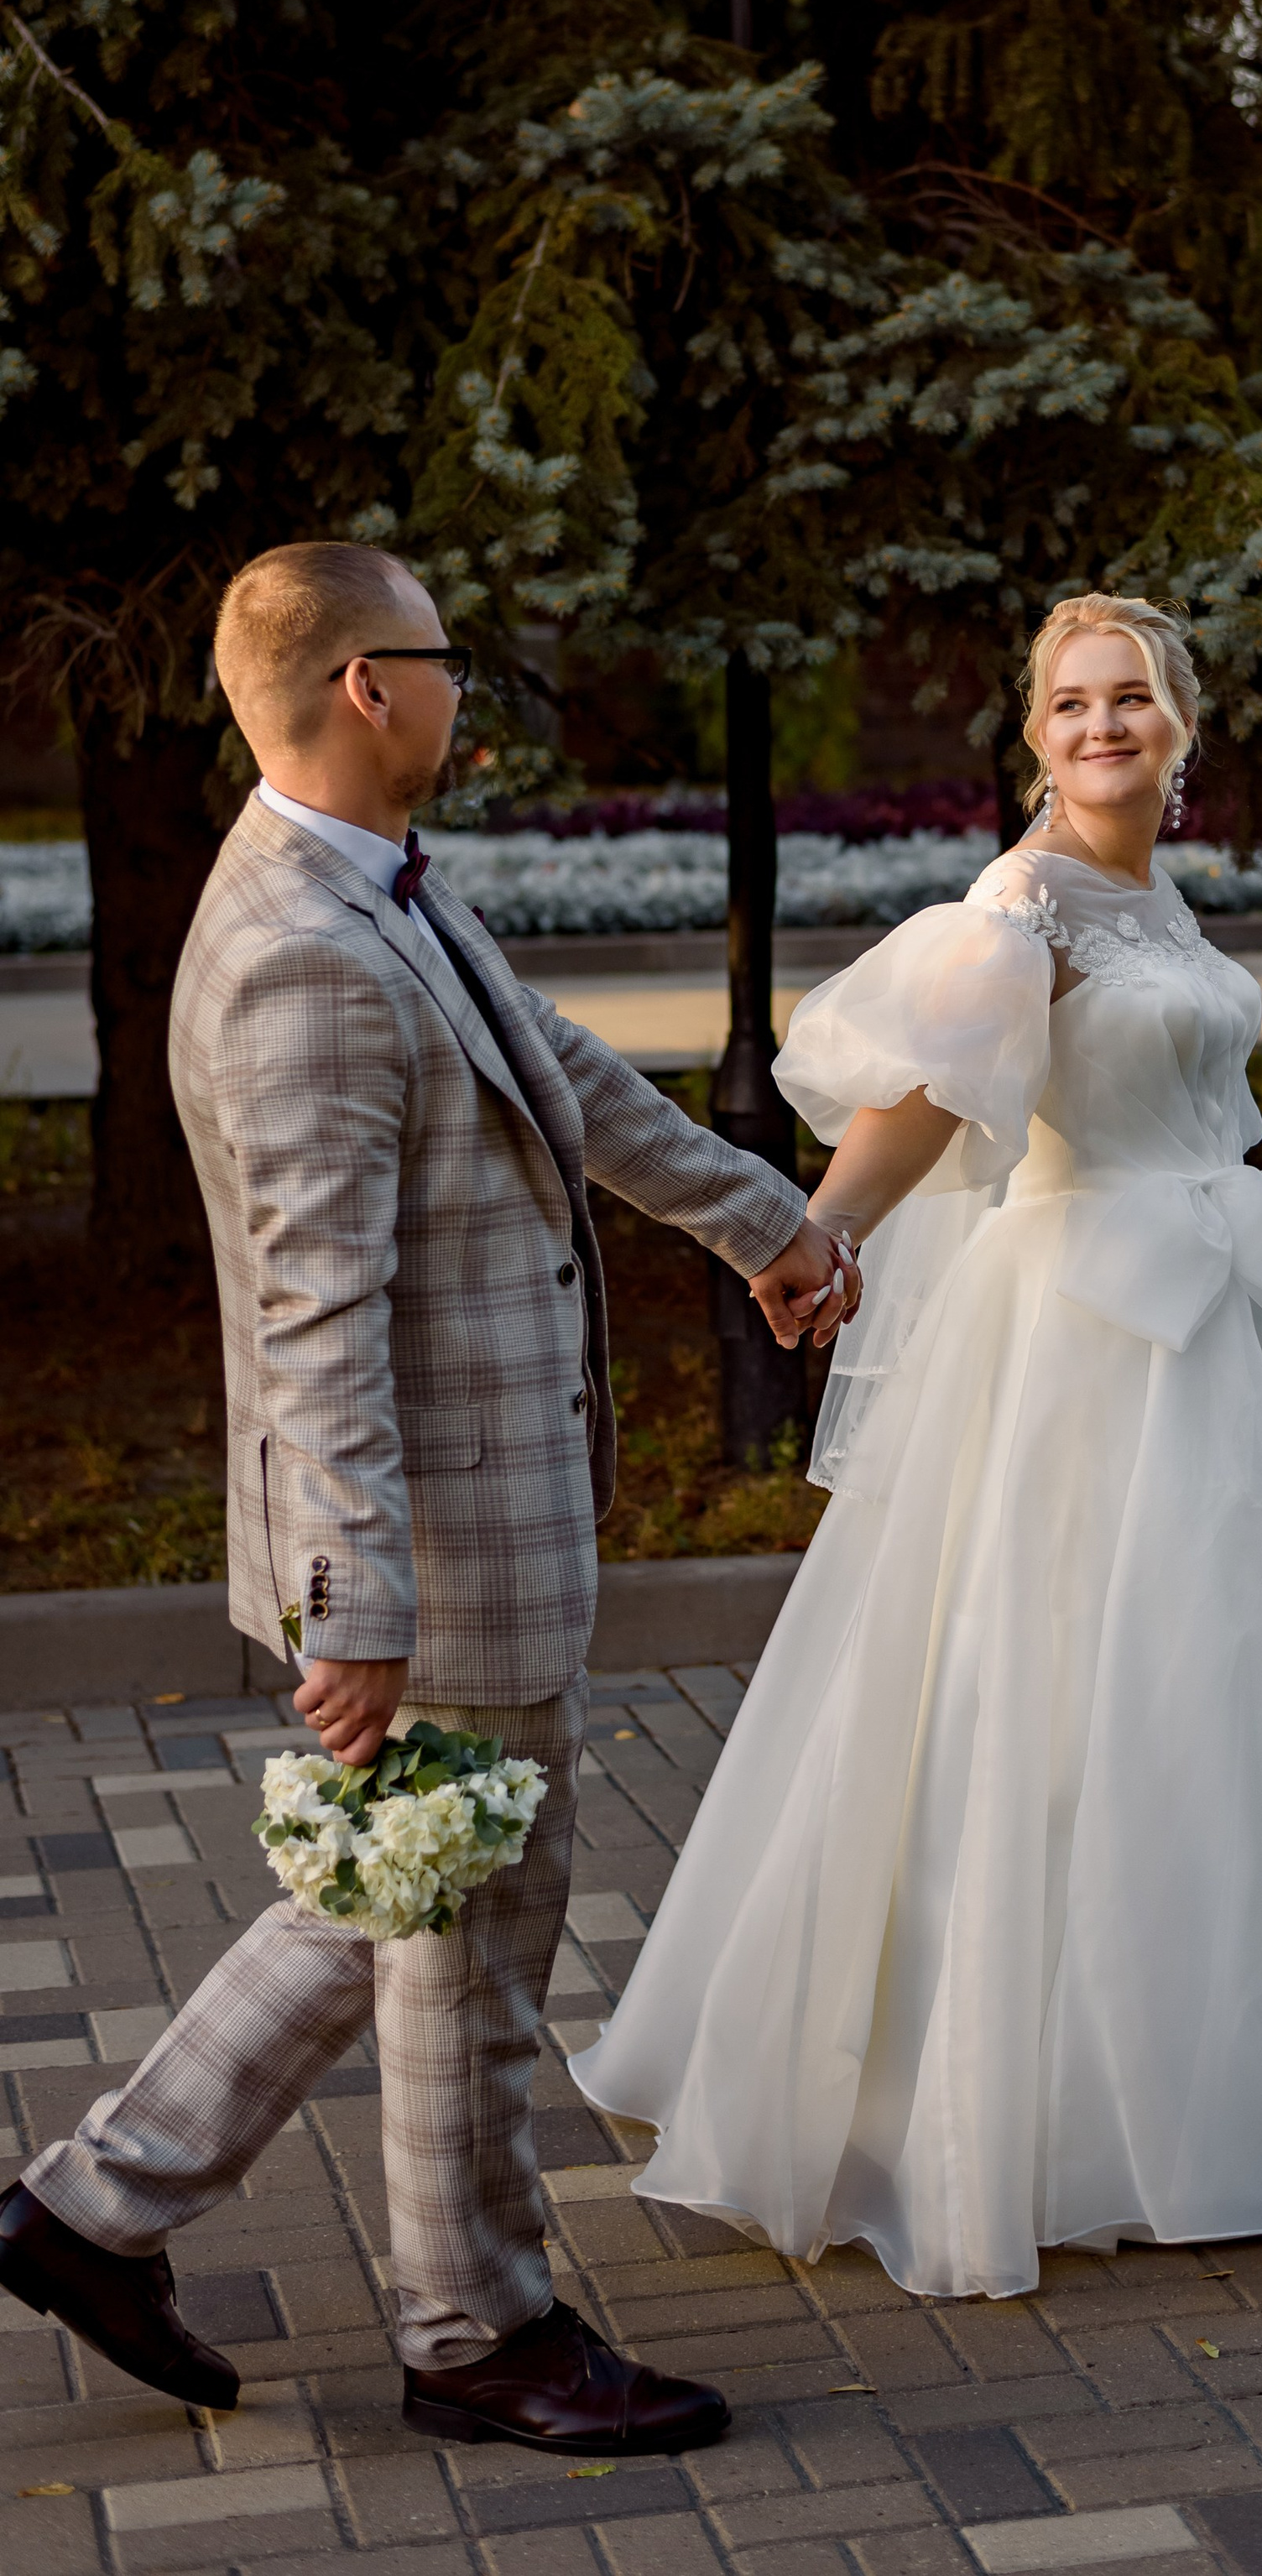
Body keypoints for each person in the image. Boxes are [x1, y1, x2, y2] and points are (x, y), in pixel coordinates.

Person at [571, 592, 1262, 2300]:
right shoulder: (1014, 907)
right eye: (1068, 702)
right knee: (1094, 1694)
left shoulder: (1153, 894)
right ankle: (1080, 2086)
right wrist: (798, 1240)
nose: (1099, 724)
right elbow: (930, 1101)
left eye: (1129, 698)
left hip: (1246, 1306)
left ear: (1179, 726)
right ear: (1029, 735)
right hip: (1093, 1334)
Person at [0, 540, 858, 2451]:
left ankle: (91, 2207)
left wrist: (761, 1223)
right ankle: (478, 2329)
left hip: (463, 1520)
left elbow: (556, 1074)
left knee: (400, 1883)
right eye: (447, 659)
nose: (469, 690)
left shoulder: (367, 881)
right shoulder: (302, 948)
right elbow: (317, 1315)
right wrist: (353, 1607)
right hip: (434, 1545)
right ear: (369, 688)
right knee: (471, 1931)